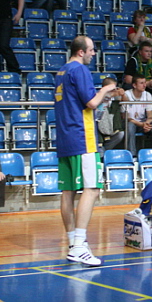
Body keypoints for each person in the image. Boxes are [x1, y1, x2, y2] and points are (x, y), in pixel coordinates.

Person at [55, 36, 118, 266]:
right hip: (82, 138)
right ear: (81, 52)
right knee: (91, 189)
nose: (93, 53)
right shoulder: (79, 70)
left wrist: (103, 95)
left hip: (65, 138)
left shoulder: (61, 71)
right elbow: (91, 103)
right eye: (91, 50)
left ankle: (74, 244)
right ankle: (80, 245)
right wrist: (107, 88)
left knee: (68, 192)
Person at [123, 76, 152, 156]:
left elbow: (150, 116)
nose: (144, 85)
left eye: (145, 83)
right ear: (134, 85)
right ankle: (132, 155)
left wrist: (146, 123)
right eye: (141, 83)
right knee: (130, 126)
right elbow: (125, 117)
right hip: (131, 122)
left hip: (143, 122)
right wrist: (142, 124)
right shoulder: (126, 95)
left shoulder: (147, 95)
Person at [95, 77, 125, 152]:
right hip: (98, 128)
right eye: (112, 88)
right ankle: (102, 152)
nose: (115, 90)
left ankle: (105, 151)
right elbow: (99, 111)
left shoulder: (116, 97)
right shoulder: (97, 96)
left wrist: (123, 94)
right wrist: (110, 95)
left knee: (120, 134)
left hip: (111, 126)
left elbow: (126, 102)